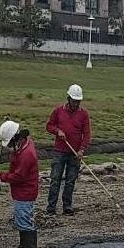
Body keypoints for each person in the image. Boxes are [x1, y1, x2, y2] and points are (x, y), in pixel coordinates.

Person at [0, 120, 40, 248]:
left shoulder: (26, 155)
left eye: (9, 144)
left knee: (25, 219)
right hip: (22, 190)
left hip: (25, 191)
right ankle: (23, 245)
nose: (9, 147)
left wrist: (1, 175)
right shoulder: (23, 143)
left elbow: (18, 176)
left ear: (16, 139)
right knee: (21, 218)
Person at [45, 84, 91, 216]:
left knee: (71, 180)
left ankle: (67, 206)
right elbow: (49, 126)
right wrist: (57, 131)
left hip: (75, 153)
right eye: (74, 101)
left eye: (78, 101)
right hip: (59, 151)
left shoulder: (84, 114)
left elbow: (87, 134)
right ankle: (51, 208)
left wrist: (82, 149)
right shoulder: (58, 111)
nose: (76, 103)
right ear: (68, 98)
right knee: (55, 179)